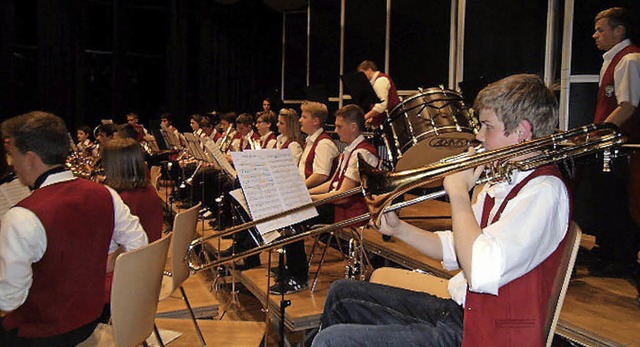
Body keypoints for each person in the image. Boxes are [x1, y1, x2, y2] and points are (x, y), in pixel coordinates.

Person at [313, 74, 570, 346]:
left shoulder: (544, 192)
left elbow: (480, 271)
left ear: (522, 132)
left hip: (487, 335)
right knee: (343, 295)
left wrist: (458, 194)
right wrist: (399, 229)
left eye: (487, 126)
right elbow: (457, 248)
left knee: (333, 341)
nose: (478, 136)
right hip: (462, 312)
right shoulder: (503, 181)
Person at [0, 111, 148, 346]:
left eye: (12, 155)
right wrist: (102, 261)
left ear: (30, 158)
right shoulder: (106, 194)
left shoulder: (22, 216)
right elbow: (139, 243)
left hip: (42, 334)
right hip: (89, 319)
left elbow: (8, 301)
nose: (11, 164)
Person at [574, 7, 640, 278]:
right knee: (606, 198)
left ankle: (622, 257)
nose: (594, 35)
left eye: (601, 29)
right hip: (612, 143)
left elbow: (628, 105)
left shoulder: (630, 59)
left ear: (619, 31)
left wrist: (599, 132)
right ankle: (607, 248)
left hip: (626, 145)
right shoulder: (612, 60)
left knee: (620, 201)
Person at [308, 104, 379, 226]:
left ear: (353, 127)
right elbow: (332, 184)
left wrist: (309, 200)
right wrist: (307, 193)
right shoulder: (350, 150)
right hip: (338, 208)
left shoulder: (361, 153)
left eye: (339, 126)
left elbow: (343, 196)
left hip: (350, 215)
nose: (335, 131)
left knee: (296, 216)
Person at [357, 60, 400, 127]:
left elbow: (381, 106)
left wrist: (364, 118)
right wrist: (373, 118)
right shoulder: (377, 81)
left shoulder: (380, 80)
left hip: (392, 123)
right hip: (390, 122)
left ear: (369, 70)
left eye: (362, 73)